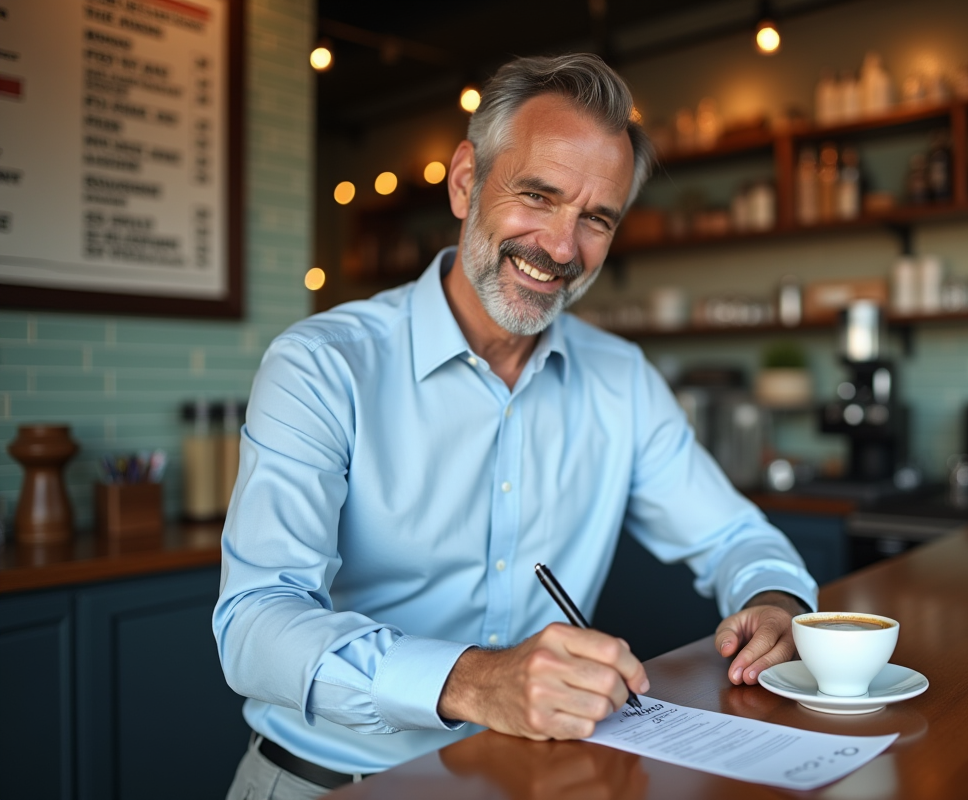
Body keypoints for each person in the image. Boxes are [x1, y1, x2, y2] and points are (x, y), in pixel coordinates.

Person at [215, 53, 818, 800]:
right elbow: (256, 625)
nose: (562, 249)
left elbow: (735, 539)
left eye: (596, 218)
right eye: (538, 195)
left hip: (532, 781)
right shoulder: (321, 366)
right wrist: (475, 682)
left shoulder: (620, 378)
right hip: (331, 782)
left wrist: (777, 602)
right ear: (466, 180)